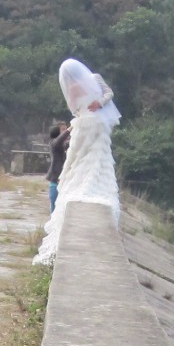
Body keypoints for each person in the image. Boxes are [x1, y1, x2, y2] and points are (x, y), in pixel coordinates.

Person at [35, 58, 121, 264]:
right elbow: (89, 102)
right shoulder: (84, 83)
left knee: (88, 154)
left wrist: (96, 103)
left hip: (91, 121)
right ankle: (87, 181)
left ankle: (85, 182)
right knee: (84, 155)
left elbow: (90, 101)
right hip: (88, 122)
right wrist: (92, 104)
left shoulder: (89, 81)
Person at [46, 119, 70, 208]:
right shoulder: (53, 143)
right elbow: (58, 141)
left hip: (65, 182)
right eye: (63, 129)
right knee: (55, 206)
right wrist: (71, 128)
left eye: (66, 129)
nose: (66, 131)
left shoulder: (66, 145)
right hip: (55, 182)